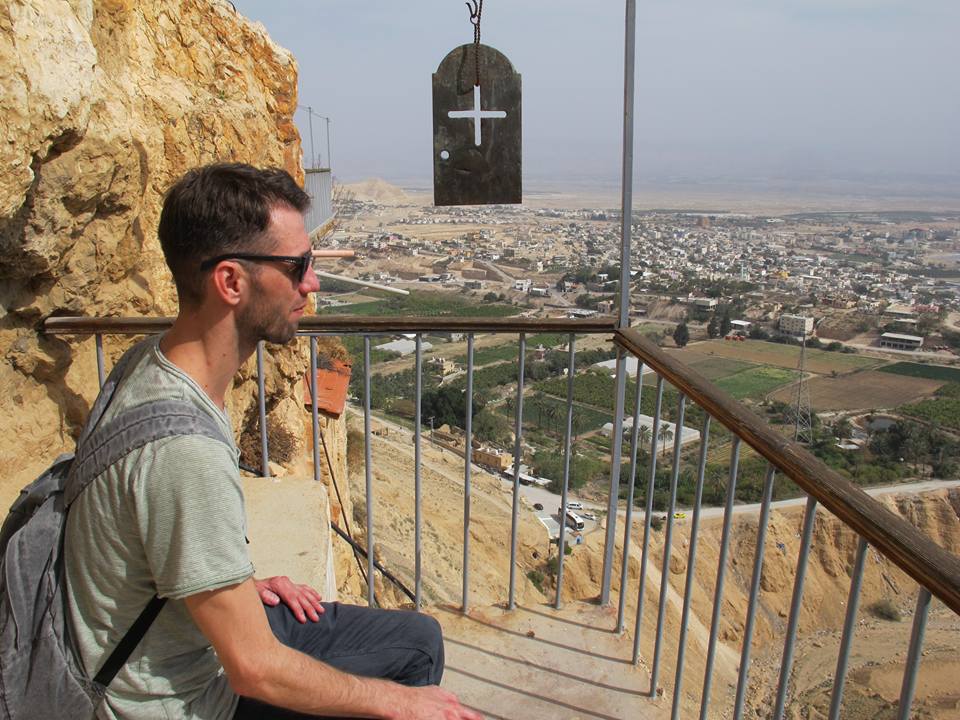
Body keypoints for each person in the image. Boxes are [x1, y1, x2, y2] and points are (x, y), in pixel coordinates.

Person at [64, 162, 481, 720]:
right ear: (231, 282)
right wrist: (401, 703)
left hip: (173, 637)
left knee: (419, 639)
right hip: (181, 699)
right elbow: (254, 668)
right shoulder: (184, 448)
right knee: (409, 682)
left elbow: (147, 534)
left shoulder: (148, 364)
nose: (312, 283)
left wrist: (234, 582)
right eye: (297, 266)